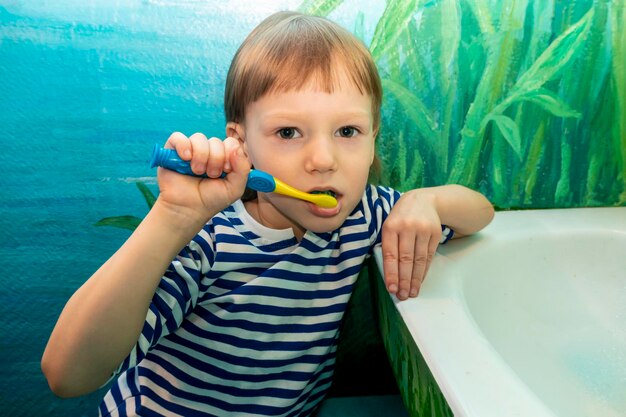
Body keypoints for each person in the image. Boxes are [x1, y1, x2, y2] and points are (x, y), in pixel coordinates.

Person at [42, 11, 494, 417]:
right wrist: (173, 217)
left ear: (374, 136)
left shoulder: (363, 215)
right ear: (242, 144)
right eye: (289, 131)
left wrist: (426, 200)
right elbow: (68, 375)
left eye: (348, 131)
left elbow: (481, 213)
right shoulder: (208, 242)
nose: (323, 159)